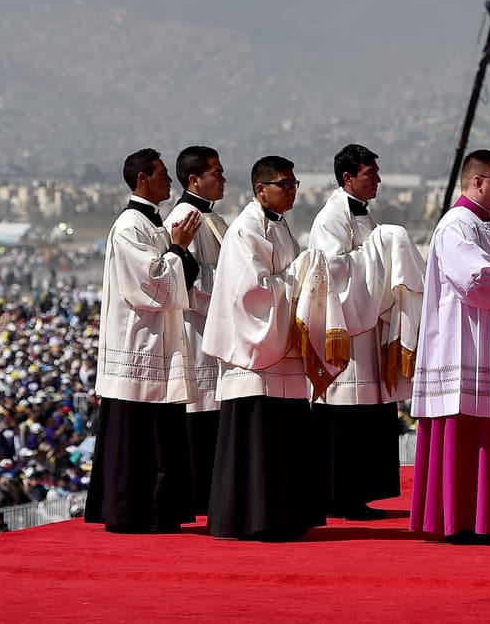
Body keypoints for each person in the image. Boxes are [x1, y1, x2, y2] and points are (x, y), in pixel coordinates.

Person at [410, 150, 490, 543]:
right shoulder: (456, 226)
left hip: (488, 343)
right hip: (463, 345)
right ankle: (463, 520)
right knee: (468, 431)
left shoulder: (486, 226)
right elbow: (475, 282)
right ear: (477, 182)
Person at [202, 156, 328, 541]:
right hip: (254, 356)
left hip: (281, 348)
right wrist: (298, 276)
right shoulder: (245, 230)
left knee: (285, 437)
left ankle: (286, 516)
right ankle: (253, 518)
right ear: (261, 189)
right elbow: (251, 293)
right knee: (258, 438)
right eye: (284, 184)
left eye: (294, 184)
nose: (291, 191)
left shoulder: (280, 226)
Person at [84, 149, 201, 534]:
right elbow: (148, 284)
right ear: (142, 180)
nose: (170, 181)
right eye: (163, 174)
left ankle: (160, 510)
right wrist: (178, 248)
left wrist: (177, 248)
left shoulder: (152, 224)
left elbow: (176, 275)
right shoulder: (130, 226)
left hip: (158, 340)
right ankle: (132, 511)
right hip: (139, 343)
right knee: (137, 436)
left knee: (160, 435)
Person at [307, 143, 414, 520]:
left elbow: (374, 265)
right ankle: (339, 495)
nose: (378, 181)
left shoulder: (365, 217)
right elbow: (334, 273)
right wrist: (380, 247)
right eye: (371, 174)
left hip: (369, 333)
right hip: (345, 334)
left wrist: (379, 248)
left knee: (368, 415)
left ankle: (362, 493)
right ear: (348, 178)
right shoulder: (329, 219)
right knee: (343, 416)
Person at [164, 145, 229, 515]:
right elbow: (188, 280)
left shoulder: (210, 216)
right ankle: (199, 497)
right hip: (196, 328)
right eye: (216, 173)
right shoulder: (185, 217)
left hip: (213, 327)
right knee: (201, 416)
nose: (223, 179)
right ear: (194, 179)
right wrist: (235, 281)